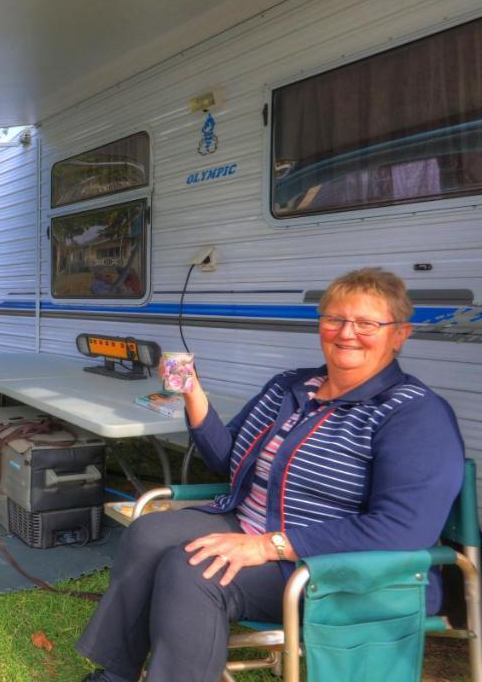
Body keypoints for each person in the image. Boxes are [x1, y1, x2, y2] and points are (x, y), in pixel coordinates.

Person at [77, 267, 464, 682]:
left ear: (399, 334)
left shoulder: (413, 412)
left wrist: (270, 545)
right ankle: (117, 673)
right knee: (147, 533)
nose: (346, 332)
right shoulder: (291, 387)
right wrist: (193, 393)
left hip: (341, 570)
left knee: (191, 571)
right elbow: (226, 461)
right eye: (334, 319)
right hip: (255, 524)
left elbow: (404, 529)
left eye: (367, 323)